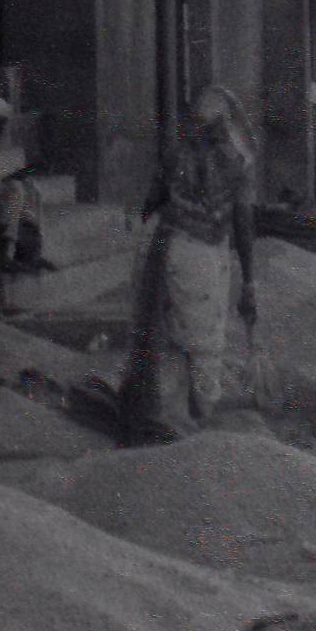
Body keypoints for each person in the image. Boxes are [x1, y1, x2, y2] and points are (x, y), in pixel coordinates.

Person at [117, 86, 258, 440]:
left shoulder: (176, 153)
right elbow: (243, 222)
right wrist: (249, 281)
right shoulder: (236, 161)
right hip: (200, 253)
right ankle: (200, 423)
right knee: (204, 342)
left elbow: (151, 203)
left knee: (163, 335)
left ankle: (157, 412)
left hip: (161, 244)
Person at [0, 95, 53, 289]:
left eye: (2, 126)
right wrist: (14, 179)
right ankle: (1, 255)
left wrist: (22, 173)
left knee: (31, 189)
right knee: (15, 190)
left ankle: (30, 253)